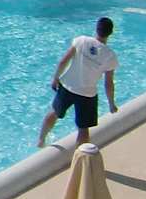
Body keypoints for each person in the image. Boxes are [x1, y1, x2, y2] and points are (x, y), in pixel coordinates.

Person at [38, 16, 118, 147]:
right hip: (87, 94)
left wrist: (55, 78)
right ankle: (79, 156)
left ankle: (41, 140)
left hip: (67, 86)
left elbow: (63, 61)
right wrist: (111, 103)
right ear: (110, 33)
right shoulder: (110, 56)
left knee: (54, 113)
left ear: (96, 29)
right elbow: (108, 83)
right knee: (83, 129)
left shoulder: (82, 41)